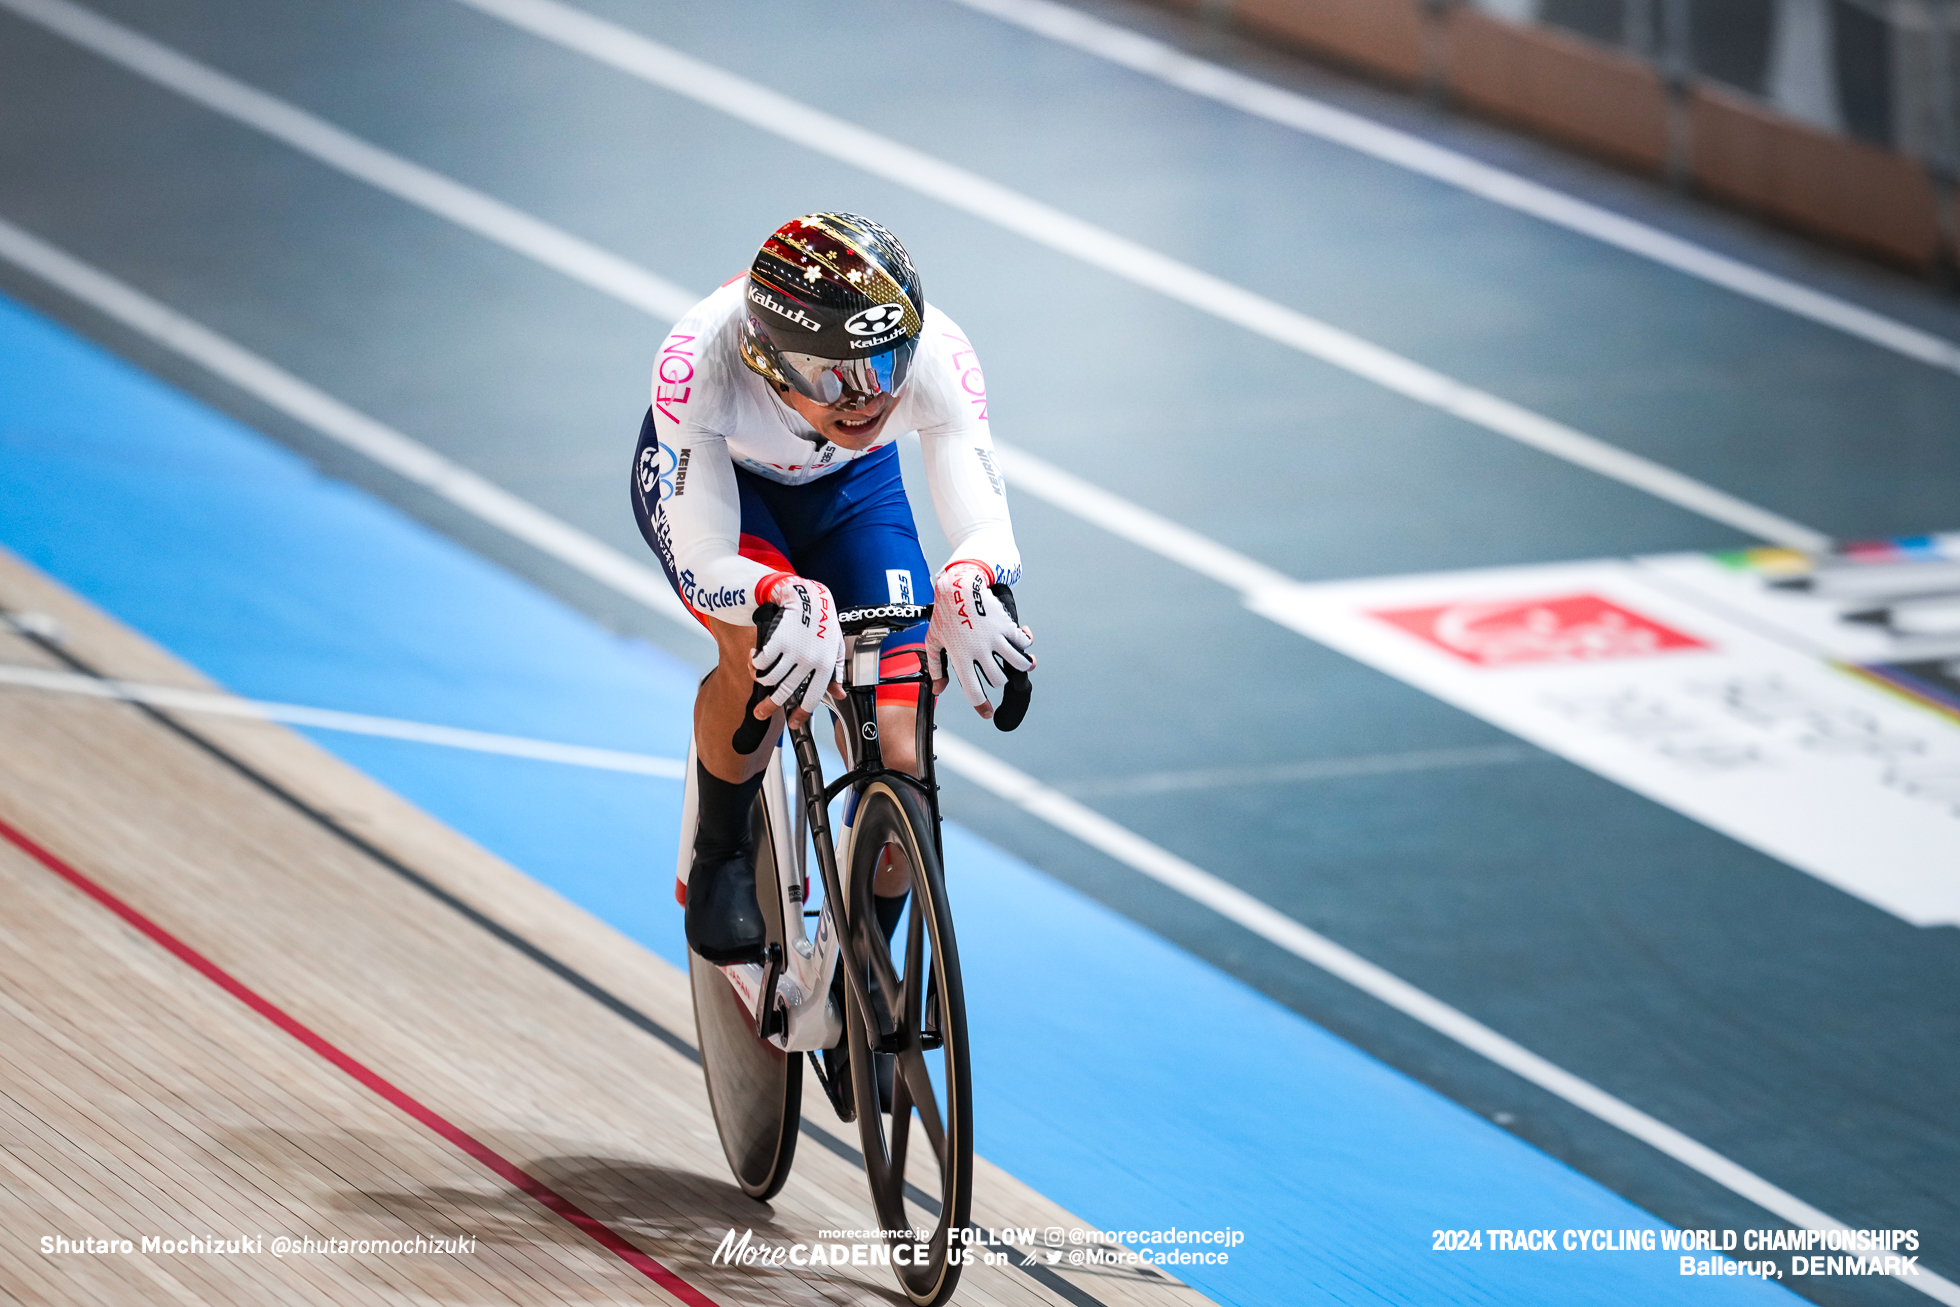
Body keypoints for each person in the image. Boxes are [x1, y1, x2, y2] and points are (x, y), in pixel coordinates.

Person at [631, 212, 1034, 965]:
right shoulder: (698, 363)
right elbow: (704, 556)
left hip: (853, 487)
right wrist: (779, 599)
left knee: (903, 733)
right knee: (760, 654)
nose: (865, 399)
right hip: (729, 491)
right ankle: (720, 846)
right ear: (768, 359)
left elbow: (984, 520)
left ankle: (866, 965)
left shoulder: (937, 352)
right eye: (831, 377)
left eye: (885, 368)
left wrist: (976, 583)